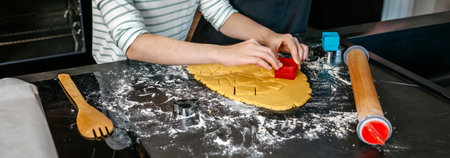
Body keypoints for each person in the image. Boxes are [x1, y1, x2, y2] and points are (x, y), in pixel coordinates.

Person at [92, 0, 308, 70]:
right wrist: (222, 53)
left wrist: (268, 36)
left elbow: (219, 12)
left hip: (170, 68)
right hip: (117, 77)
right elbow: (134, 43)